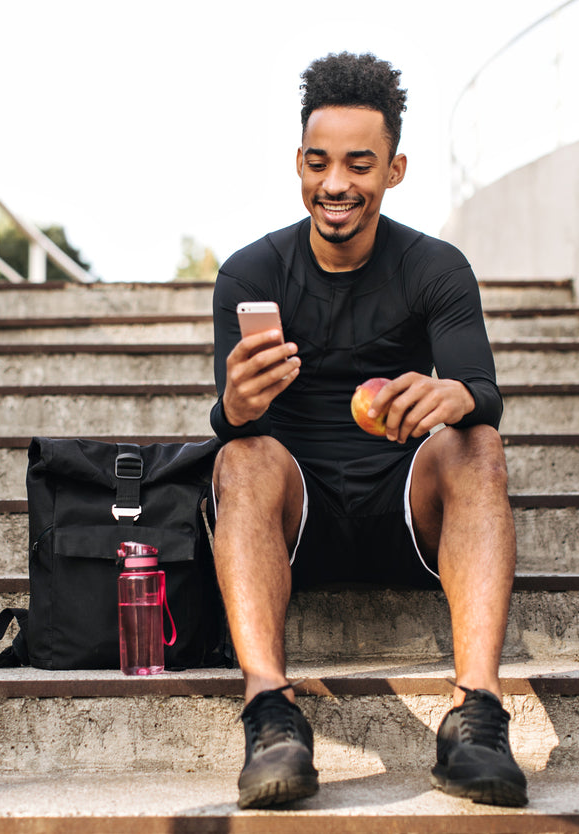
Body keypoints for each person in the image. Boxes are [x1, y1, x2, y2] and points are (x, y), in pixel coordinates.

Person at [208, 51, 527, 810]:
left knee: (478, 443)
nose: (336, 184)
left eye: (359, 163)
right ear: (298, 163)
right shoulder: (251, 274)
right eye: (319, 163)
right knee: (241, 455)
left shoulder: (435, 268)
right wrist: (234, 407)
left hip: (403, 507)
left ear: (395, 169)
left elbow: (485, 394)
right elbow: (228, 425)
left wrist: (452, 396)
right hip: (297, 518)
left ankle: (475, 716)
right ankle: (272, 714)